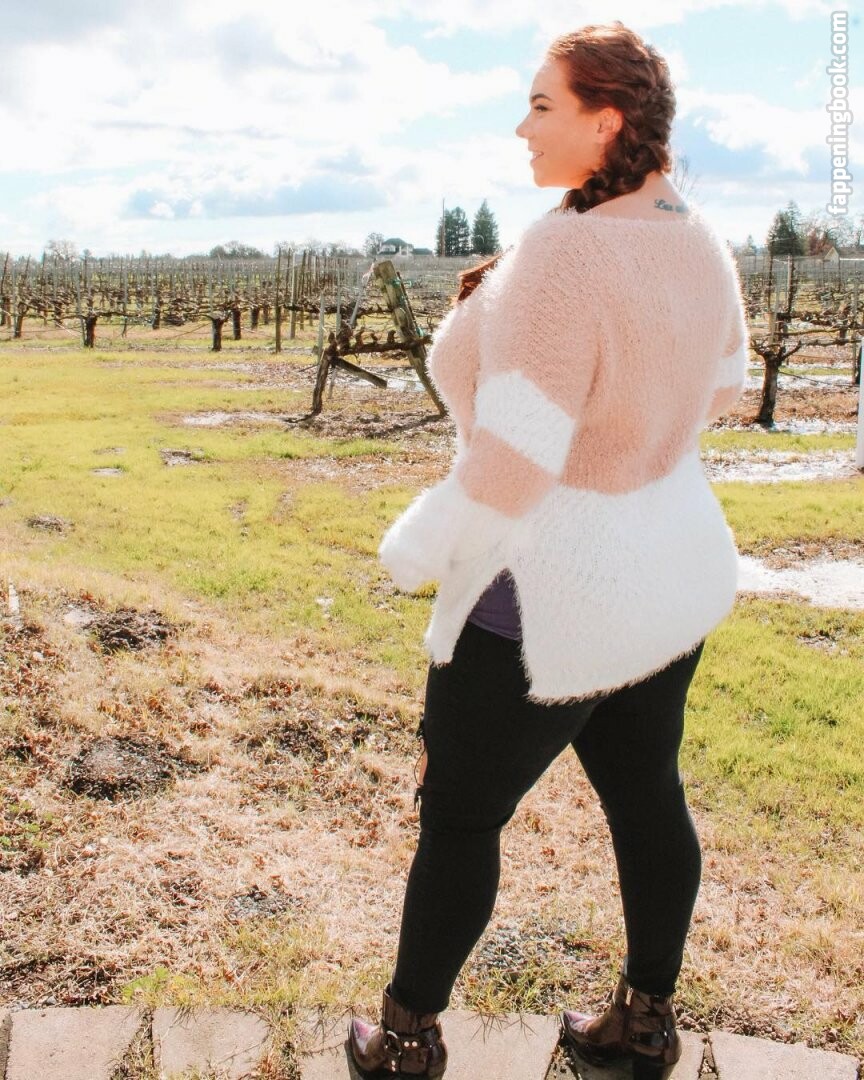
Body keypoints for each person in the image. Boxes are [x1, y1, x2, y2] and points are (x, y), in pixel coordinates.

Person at [348, 19, 749, 1080]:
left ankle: (403, 1042)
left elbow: (517, 460)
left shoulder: (568, 253)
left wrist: (418, 545)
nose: (521, 127)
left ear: (604, 120)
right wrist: (632, 435)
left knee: (460, 815)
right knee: (648, 794)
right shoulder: (697, 240)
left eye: (540, 105)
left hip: (545, 592)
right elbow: (723, 387)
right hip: (665, 575)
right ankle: (644, 1026)